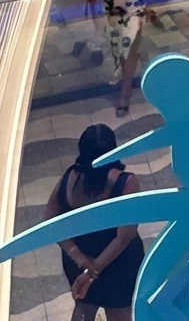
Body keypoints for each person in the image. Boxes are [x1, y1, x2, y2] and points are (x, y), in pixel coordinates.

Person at [43, 123, 144, 321]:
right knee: (119, 313)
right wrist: (94, 270)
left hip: (80, 258)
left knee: (84, 308)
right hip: (118, 262)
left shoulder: (70, 177)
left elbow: (49, 219)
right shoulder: (126, 183)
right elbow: (124, 236)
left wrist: (80, 259)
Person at [91, 0, 148, 117]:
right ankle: (127, 80)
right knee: (119, 52)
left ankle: (125, 94)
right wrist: (93, 15)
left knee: (128, 49)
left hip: (134, 9)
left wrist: (154, 5)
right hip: (112, 15)